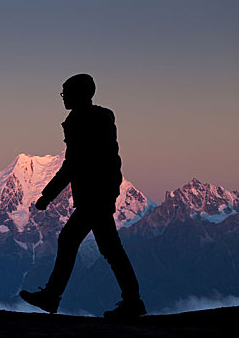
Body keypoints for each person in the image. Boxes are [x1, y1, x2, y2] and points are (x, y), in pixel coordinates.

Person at [19, 74, 146, 319]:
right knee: (108, 248)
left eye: (66, 92)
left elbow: (73, 164)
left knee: (74, 241)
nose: (63, 97)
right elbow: (105, 159)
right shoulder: (101, 119)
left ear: (79, 94)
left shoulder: (80, 122)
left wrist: (47, 196)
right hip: (103, 192)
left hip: (93, 195)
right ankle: (132, 300)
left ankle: (53, 296)